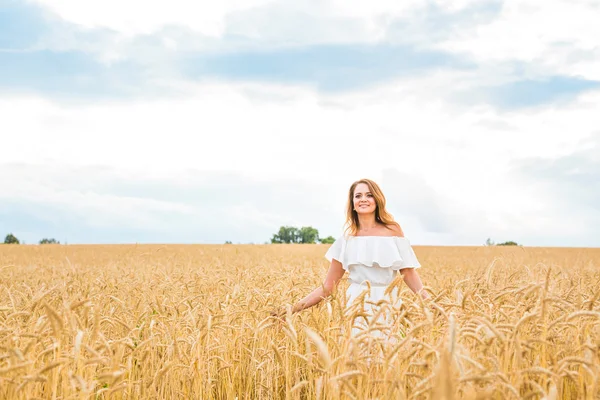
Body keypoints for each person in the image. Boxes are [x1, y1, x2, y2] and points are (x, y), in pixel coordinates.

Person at [274, 178, 430, 340]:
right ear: (352, 203)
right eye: (358, 196)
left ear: (377, 200)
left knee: (386, 357)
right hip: (355, 307)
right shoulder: (347, 239)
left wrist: (431, 303)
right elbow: (328, 287)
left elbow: (408, 273)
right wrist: (291, 309)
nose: (363, 199)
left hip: (387, 305)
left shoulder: (393, 231)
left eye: (369, 195)